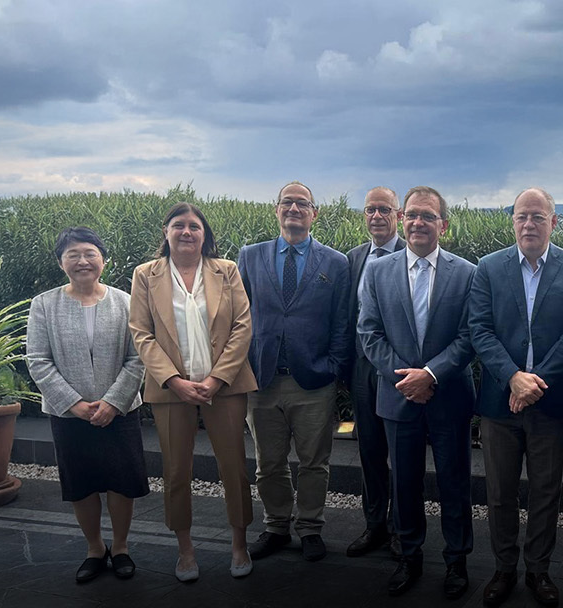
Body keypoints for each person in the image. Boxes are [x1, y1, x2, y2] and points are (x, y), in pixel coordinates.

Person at [468, 187, 563, 607]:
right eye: (522, 216)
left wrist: (533, 382)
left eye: (538, 216)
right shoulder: (488, 268)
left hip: (550, 400)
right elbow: (480, 330)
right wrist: (512, 378)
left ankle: (539, 570)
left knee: (545, 491)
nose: (529, 224)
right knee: (499, 492)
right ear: (512, 220)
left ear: (554, 222)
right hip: (500, 403)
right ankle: (504, 569)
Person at [358, 185, 478, 599]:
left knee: (454, 483)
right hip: (398, 396)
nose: (418, 222)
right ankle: (409, 557)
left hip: (449, 397)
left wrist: (431, 374)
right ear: (402, 219)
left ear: (442, 224)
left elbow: (469, 336)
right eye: (411, 215)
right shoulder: (377, 271)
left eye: (427, 215)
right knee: (403, 484)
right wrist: (405, 379)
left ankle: (457, 560)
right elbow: (368, 333)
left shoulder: (466, 272)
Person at [128, 203, 258, 582]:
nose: (186, 232)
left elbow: (242, 327)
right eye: (178, 226)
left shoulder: (227, 271)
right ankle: (185, 550)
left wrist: (217, 378)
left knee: (233, 467)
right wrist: (173, 380)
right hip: (172, 390)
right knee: (175, 471)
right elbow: (141, 332)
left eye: (194, 227)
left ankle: (239, 544)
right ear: (165, 232)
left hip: (226, 387)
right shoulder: (145, 275)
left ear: (205, 234)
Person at [27, 226, 149, 584]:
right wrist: (75, 404)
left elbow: (138, 357)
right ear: (61, 262)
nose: (82, 261)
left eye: (90, 253)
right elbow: (37, 360)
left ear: (103, 260)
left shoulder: (126, 301)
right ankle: (95, 548)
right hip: (69, 415)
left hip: (121, 410)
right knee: (81, 483)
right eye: (73, 255)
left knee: (121, 482)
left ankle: (122, 547)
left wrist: (113, 402)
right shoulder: (44, 304)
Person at [237, 181, 352, 562]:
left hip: (313, 381)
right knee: (268, 463)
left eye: (303, 204)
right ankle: (276, 527)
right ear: (276, 209)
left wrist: (332, 367)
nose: (294, 209)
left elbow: (342, 322)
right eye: (287, 202)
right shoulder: (250, 257)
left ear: (314, 213)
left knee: (313, 462)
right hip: (262, 380)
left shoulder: (336, 263)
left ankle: (310, 528)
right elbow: (238, 316)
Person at [344, 185, 406, 558]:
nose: (377, 216)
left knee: (401, 454)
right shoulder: (353, 258)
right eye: (370, 210)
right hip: (362, 373)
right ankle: (374, 526)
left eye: (385, 209)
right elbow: (344, 317)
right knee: (369, 451)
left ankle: (402, 527)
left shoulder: (412, 252)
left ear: (398, 215)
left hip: (400, 372)